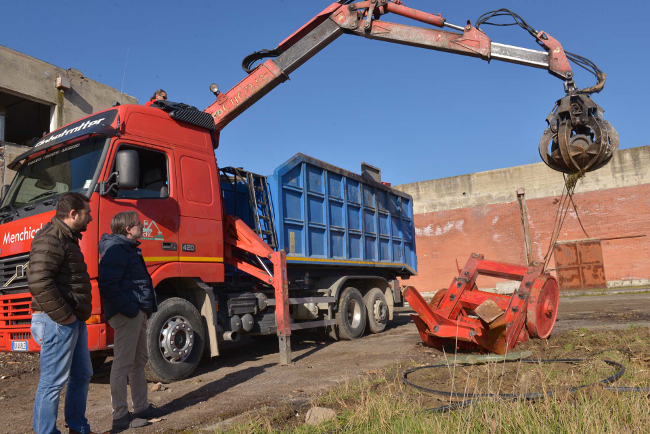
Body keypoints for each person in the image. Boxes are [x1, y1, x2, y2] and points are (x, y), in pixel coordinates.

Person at [28, 192, 107, 434]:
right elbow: (40, 282)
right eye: (88, 213)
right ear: (73, 214)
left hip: (71, 319)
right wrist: (66, 317)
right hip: (58, 320)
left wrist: (74, 318)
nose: (91, 218)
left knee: (82, 374)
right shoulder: (51, 238)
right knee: (52, 382)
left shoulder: (66, 237)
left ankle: (77, 427)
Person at [98, 211, 161, 430]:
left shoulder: (128, 248)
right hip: (128, 315)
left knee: (138, 361)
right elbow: (108, 286)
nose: (142, 227)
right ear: (128, 229)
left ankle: (141, 407)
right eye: (139, 224)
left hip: (136, 312)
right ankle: (120, 417)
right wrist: (132, 309)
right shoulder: (116, 250)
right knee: (123, 364)